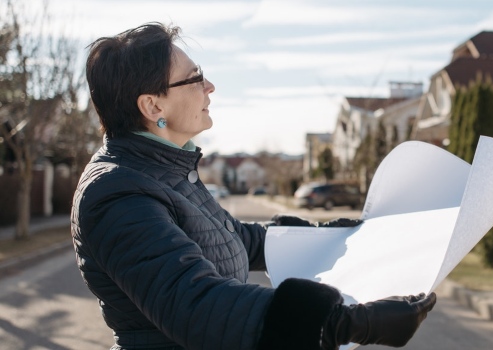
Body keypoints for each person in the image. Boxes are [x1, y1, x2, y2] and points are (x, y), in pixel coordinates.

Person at [71, 22, 436, 350]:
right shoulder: (116, 193)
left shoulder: (166, 170)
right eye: (194, 77)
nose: (209, 86)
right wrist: (349, 323)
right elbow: (197, 305)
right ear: (153, 106)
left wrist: (329, 236)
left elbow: (233, 240)